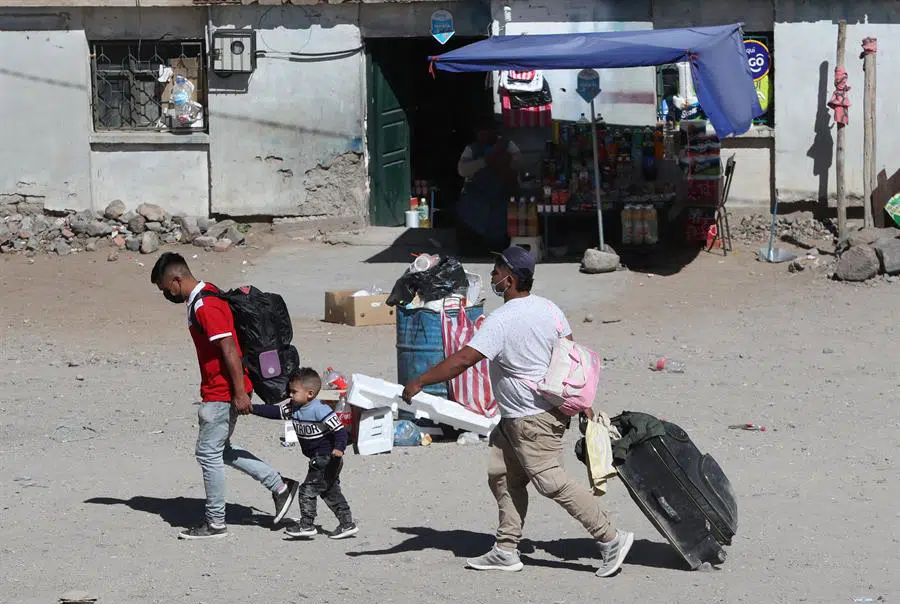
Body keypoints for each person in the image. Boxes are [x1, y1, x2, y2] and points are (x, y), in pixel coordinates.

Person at [402, 246, 633, 577]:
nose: (493, 278)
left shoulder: (502, 320)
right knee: (503, 476)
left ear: (508, 279)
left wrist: (420, 380)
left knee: (551, 481)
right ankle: (505, 549)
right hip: (519, 419)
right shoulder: (550, 309)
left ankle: (611, 538)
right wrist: (579, 402)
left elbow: (464, 359)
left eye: (496, 272)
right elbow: (570, 355)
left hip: (532, 420)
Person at [150, 252, 299, 539]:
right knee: (221, 450)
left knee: (208, 453)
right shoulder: (208, 295)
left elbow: (229, 348)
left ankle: (215, 522)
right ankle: (280, 486)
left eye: (165, 288)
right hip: (221, 389)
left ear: (176, 280)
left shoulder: (206, 305)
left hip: (222, 391)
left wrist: (240, 393)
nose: (166, 294)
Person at [250, 368, 358, 540]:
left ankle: (306, 525)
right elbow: (273, 412)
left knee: (307, 489)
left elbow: (340, 431)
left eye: (294, 392)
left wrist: (339, 448)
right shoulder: (293, 408)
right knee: (329, 491)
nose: (290, 395)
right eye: (289, 391)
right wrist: (251, 408)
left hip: (326, 457)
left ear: (310, 393)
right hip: (318, 457)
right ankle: (347, 524)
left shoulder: (320, 409)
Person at [455, 118, 523, 255]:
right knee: (472, 222)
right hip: (477, 196)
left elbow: (519, 163)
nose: (482, 135)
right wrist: (486, 161)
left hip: (500, 195)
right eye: (480, 132)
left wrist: (503, 160)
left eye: (485, 132)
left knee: (499, 226)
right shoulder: (472, 149)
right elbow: (463, 170)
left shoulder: (507, 144)